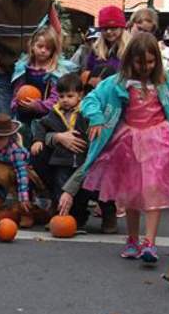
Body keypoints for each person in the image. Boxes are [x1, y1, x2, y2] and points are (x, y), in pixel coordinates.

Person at [59, 32, 169, 266]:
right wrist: (96, 118)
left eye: (150, 62)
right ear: (130, 60)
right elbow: (90, 100)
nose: (145, 67)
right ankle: (132, 239)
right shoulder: (117, 83)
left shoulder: (165, 82)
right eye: (140, 62)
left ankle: (150, 242)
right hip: (128, 140)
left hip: (157, 139)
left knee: (152, 189)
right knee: (131, 192)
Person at [30, 73, 117, 234]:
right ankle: (62, 215)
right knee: (61, 187)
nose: (65, 99)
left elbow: (98, 132)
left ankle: (108, 212)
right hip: (63, 161)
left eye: (70, 96)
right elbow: (41, 126)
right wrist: (40, 139)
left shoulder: (87, 113)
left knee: (92, 188)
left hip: (88, 160)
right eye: (61, 96)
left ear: (80, 96)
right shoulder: (54, 113)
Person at [0, 0, 64, 114]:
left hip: (35, 74)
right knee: (3, 121)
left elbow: (58, 34)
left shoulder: (44, 3)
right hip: (5, 72)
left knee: (32, 122)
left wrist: (52, 63)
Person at [11, 27, 73, 130]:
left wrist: (38, 106)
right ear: (32, 46)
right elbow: (17, 91)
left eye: (48, 48)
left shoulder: (55, 73)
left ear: (53, 51)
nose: (43, 50)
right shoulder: (23, 69)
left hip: (45, 121)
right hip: (23, 117)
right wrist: (15, 103)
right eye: (40, 46)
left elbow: (56, 99)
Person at [82, 6, 126, 87]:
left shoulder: (130, 49)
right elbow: (88, 72)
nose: (109, 32)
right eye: (105, 29)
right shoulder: (96, 50)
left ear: (121, 28)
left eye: (113, 28)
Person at [130, 8, 169, 72]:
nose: (141, 34)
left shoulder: (152, 49)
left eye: (146, 31)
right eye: (139, 29)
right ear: (132, 25)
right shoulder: (122, 43)